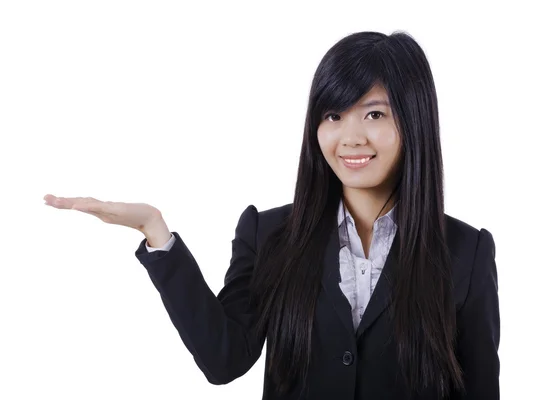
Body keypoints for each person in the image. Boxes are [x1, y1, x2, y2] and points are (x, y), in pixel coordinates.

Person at [44, 30, 500, 400]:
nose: (350, 137)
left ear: (413, 121)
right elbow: (224, 359)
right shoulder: (271, 235)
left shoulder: (466, 252)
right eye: (333, 115)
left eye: (375, 114)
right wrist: (155, 231)